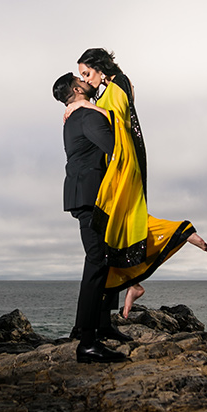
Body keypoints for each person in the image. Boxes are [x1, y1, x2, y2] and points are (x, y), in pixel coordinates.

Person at [66, 48, 207, 318]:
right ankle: (132, 284)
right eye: (81, 76)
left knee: (125, 221)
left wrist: (83, 105)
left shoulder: (118, 83)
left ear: (99, 67)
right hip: (118, 160)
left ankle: (180, 232)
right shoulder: (109, 89)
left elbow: (118, 122)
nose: (86, 79)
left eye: (87, 73)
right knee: (120, 229)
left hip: (124, 160)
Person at [52, 72, 127, 364]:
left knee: (105, 258)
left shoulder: (75, 117)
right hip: (92, 195)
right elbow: (116, 146)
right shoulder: (86, 116)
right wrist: (103, 112)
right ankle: (86, 340)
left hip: (83, 193)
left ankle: (103, 325)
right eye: (81, 78)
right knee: (97, 262)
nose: (87, 80)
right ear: (76, 87)